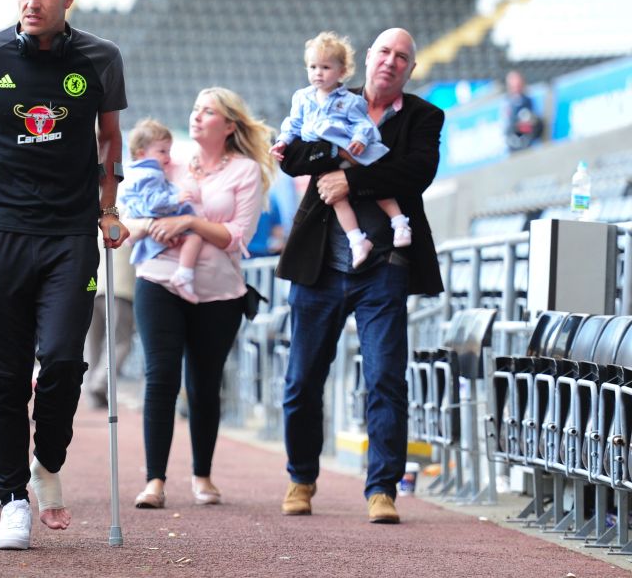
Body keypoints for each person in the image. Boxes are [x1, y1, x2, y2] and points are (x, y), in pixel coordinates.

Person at [0, 0, 128, 551]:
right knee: (2, 374)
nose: (32, 1)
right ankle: (14, 499)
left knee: (65, 359)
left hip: (70, 235)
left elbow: (110, 139)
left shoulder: (100, 58)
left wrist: (109, 207)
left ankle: (48, 461)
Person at [275, 28, 444, 524]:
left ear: (410, 69)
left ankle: (382, 489)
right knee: (302, 378)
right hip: (318, 265)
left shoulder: (423, 116)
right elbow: (297, 159)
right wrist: (340, 157)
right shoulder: (325, 95)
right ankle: (301, 478)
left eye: (402, 57)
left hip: (385, 268)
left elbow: (417, 172)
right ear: (368, 59)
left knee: (386, 379)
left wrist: (349, 175)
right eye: (385, 52)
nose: (391, 62)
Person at [125, 89, 274, 510]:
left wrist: (189, 220)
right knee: (161, 377)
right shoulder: (166, 160)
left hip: (219, 292)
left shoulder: (245, 172)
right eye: (195, 109)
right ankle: (154, 480)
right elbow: (126, 212)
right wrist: (154, 224)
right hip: (157, 282)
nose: (196, 117)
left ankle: (202, 474)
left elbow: (237, 236)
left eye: (208, 112)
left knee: (205, 384)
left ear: (229, 126)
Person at [270, 31, 411, 269]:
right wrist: (283, 141)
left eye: (325, 67)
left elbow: (362, 124)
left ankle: (399, 221)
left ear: (341, 71)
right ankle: (357, 240)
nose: (318, 73)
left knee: (373, 182)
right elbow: (292, 125)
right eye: (312, 67)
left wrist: (360, 139)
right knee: (336, 197)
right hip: (326, 159)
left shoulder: (349, 100)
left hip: (351, 150)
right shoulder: (303, 98)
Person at [121, 118, 204, 303]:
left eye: (168, 151)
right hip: (151, 231)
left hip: (150, 228)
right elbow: (152, 203)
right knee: (194, 237)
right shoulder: (150, 173)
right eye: (162, 151)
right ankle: (184, 275)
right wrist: (177, 198)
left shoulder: (139, 172)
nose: (168, 157)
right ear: (142, 153)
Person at [82, 231, 136, 409]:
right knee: (121, 342)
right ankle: (99, 382)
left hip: (94, 288)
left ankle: (91, 390)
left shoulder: (97, 223)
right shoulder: (127, 219)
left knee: (92, 345)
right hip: (119, 289)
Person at [503, 70, 544, 152]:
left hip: (527, 132)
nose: (516, 88)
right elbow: (508, 124)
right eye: (514, 85)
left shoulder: (527, 100)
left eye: (518, 84)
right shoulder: (507, 103)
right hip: (515, 134)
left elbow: (533, 118)